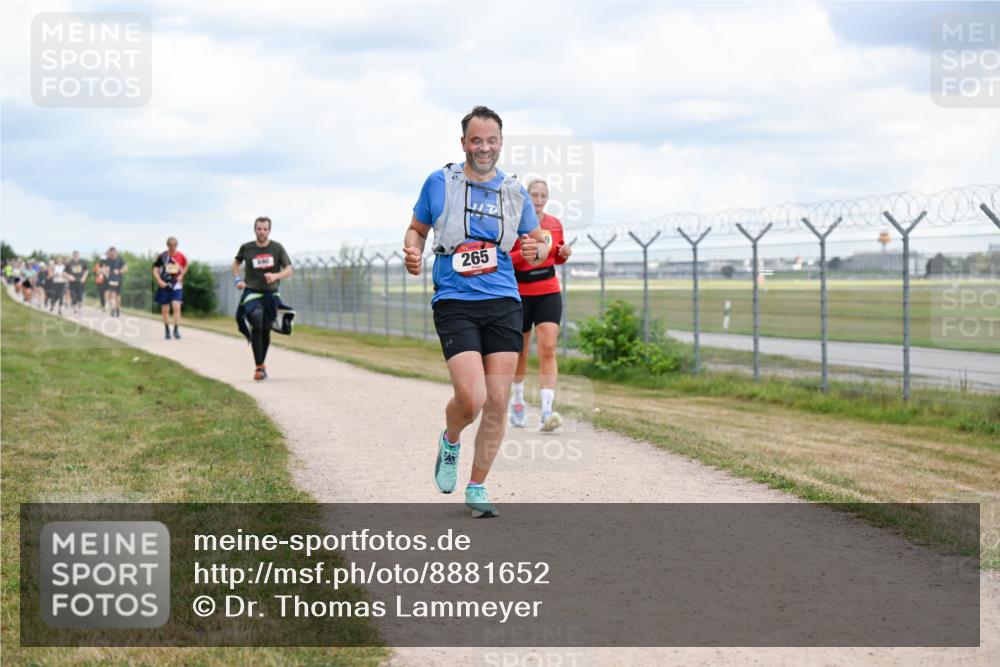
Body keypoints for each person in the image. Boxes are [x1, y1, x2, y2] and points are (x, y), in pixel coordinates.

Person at [403, 105, 549, 518]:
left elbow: (537, 242)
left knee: (498, 400)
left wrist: (535, 248)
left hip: (503, 300)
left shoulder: (515, 192)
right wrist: (414, 250)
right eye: (476, 140)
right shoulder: (439, 182)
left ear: (500, 144)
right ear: (463, 142)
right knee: (472, 398)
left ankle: (478, 486)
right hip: (455, 300)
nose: (483, 148)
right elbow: (417, 228)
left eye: (491, 140)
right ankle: (451, 439)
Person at [509, 178, 572, 432]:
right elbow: (506, 259)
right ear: (525, 197)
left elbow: (555, 255)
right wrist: (524, 253)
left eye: (542, 195)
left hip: (548, 290)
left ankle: (547, 410)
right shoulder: (514, 223)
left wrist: (562, 253)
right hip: (520, 292)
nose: (538, 198)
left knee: (548, 349)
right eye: (533, 194)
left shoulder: (554, 224)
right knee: (520, 352)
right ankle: (518, 402)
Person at [233, 216, 293, 380]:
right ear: (255, 229)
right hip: (252, 292)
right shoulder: (247, 248)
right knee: (256, 321)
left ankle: (261, 364)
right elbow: (236, 263)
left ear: (269, 230)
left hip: (271, 294)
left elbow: (289, 270)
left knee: (266, 329)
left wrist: (275, 276)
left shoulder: (277, 248)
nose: (262, 232)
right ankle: (258, 368)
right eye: (259, 229)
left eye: (265, 229)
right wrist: (238, 280)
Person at [153, 237, 188, 339]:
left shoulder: (181, 256)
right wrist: (159, 280)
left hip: (176, 284)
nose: (173, 248)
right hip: (165, 284)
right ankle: (167, 330)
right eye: (170, 246)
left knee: (176, 307)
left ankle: (176, 330)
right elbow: (155, 270)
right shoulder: (163, 256)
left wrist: (182, 275)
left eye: (174, 246)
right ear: (167, 246)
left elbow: (186, 265)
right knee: (165, 309)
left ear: (177, 245)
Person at [105, 247, 127, 317]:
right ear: (110, 253)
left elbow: (126, 268)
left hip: (119, 280)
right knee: (113, 294)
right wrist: (106, 271)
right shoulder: (108, 260)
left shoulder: (120, 259)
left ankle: (117, 308)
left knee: (118, 296)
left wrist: (119, 271)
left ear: (116, 252)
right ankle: (113, 309)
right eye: (111, 252)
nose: (113, 254)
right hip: (111, 279)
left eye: (114, 252)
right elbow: (105, 269)